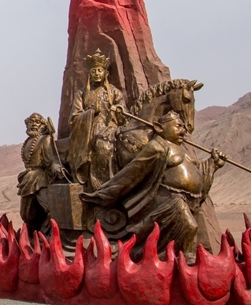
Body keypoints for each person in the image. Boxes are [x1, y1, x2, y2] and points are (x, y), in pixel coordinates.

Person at [80, 111, 226, 261]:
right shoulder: (157, 147)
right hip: (169, 198)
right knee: (190, 226)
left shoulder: (181, 148)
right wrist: (104, 193)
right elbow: (133, 171)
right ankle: (179, 259)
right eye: (178, 126)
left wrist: (213, 164)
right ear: (159, 128)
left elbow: (197, 171)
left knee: (188, 231)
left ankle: (179, 257)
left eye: (183, 127)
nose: (183, 131)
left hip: (189, 199)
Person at [68, 50, 125, 192]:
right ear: (89, 73)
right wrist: (91, 112)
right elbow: (74, 117)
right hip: (89, 131)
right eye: (93, 71)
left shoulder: (114, 92)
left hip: (111, 128)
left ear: (106, 73)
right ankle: (98, 187)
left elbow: (124, 113)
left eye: (100, 70)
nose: (96, 73)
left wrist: (117, 110)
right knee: (100, 147)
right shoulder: (82, 93)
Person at [18, 113, 64, 234]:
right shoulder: (28, 141)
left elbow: (51, 159)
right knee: (26, 213)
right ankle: (34, 235)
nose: (33, 124)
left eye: (37, 122)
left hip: (39, 179)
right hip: (27, 179)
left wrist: (56, 168)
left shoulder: (45, 139)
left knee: (49, 207)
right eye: (31, 122)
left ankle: (55, 233)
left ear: (42, 125)